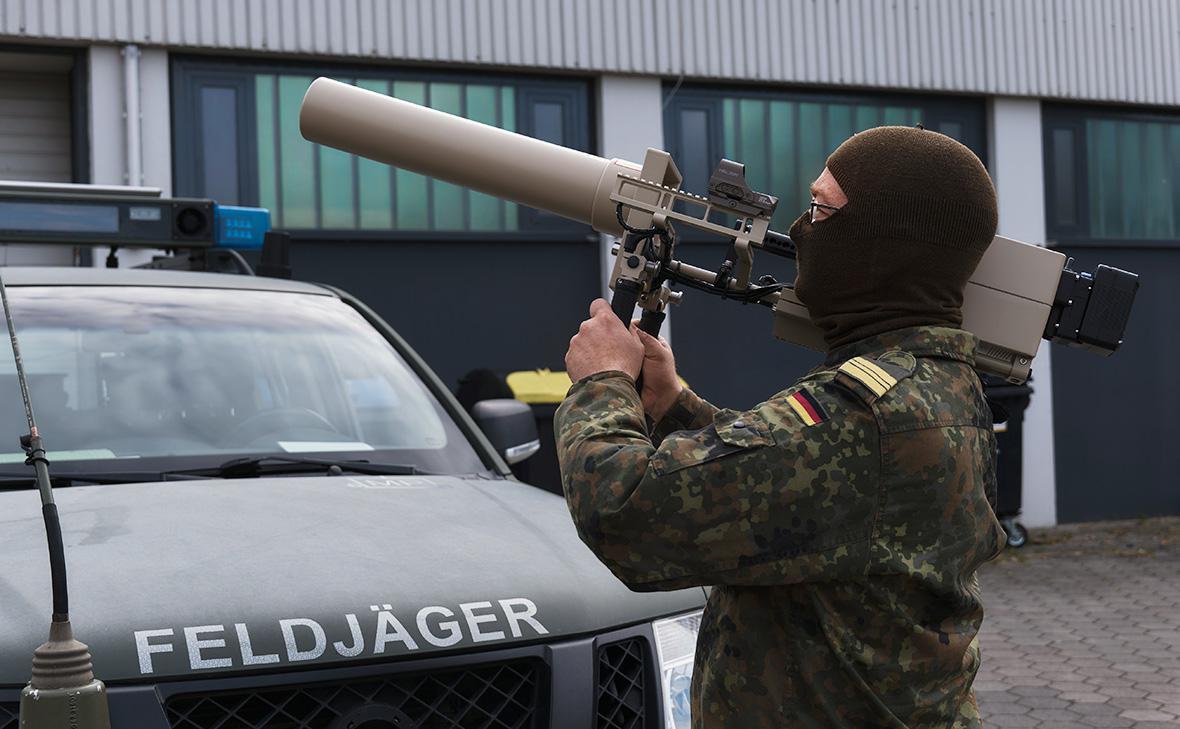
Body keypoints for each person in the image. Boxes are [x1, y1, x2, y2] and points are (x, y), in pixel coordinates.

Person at [555, 126, 1008, 728]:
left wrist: (602, 381)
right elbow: (800, 490)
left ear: (881, 243)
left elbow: (626, 515)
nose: (799, 230)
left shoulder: (863, 414)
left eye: (821, 209)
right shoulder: (937, 381)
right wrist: (674, 405)